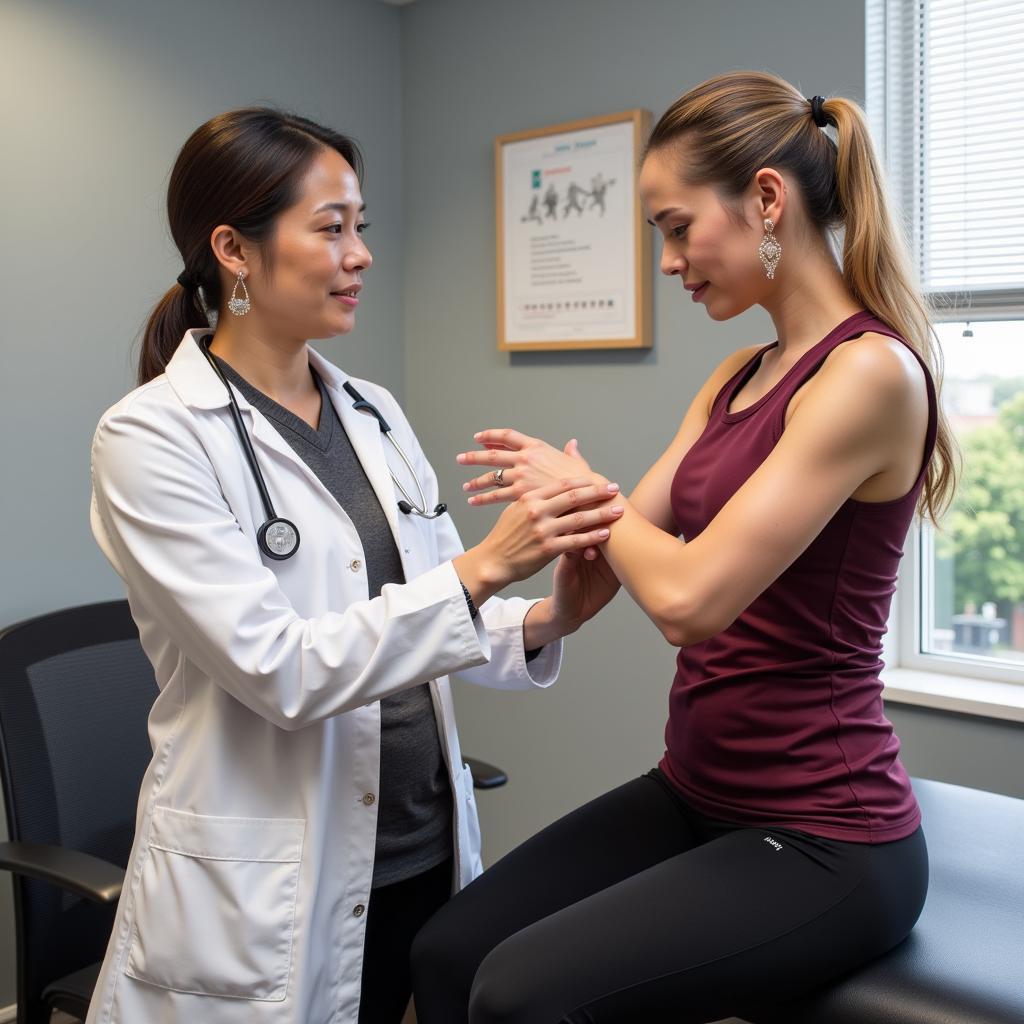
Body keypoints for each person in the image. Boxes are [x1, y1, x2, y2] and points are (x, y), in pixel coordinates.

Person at [411, 71, 957, 1024]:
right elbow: (635, 535)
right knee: (449, 952)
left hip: (828, 834)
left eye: (674, 227)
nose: (668, 263)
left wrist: (592, 503)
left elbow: (688, 599)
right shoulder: (736, 376)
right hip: (695, 790)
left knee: (518, 998)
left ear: (767, 201)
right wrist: (579, 524)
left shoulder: (869, 374)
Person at [85, 108, 624, 1024]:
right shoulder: (151, 437)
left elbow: (432, 607)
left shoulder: (371, 412)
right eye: (330, 227)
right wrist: (488, 569)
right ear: (235, 250)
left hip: (419, 852)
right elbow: (280, 669)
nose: (361, 253)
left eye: (360, 226)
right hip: (269, 889)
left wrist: (546, 617)